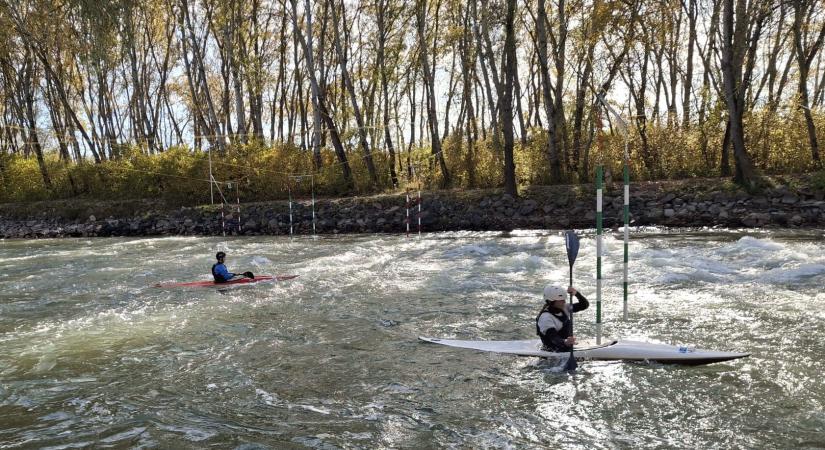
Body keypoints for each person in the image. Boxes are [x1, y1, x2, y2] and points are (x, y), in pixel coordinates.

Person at [535, 284, 589, 352]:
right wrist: (565, 342)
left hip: (566, 346)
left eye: (564, 299)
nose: (564, 302)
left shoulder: (564, 307)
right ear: (551, 301)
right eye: (560, 300)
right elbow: (553, 337)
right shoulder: (545, 318)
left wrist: (576, 293)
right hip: (552, 349)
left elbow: (584, 305)